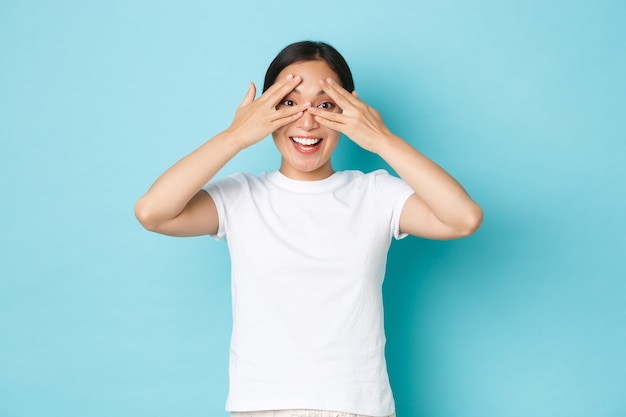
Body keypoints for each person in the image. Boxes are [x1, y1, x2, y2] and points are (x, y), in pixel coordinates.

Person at [135, 41, 483, 417]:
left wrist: (381, 138)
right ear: (264, 111)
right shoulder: (241, 196)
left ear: (349, 111)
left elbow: (462, 218)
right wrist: (235, 135)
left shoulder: (375, 194)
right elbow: (153, 212)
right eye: (288, 102)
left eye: (325, 104)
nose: (306, 121)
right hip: (261, 407)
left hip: (359, 407)